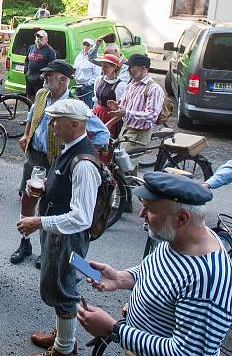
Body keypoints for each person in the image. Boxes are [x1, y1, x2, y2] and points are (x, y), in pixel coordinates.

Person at [77, 172, 232, 356]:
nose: (141, 214)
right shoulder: (176, 236)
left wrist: (114, 329)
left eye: (149, 209)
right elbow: (156, 271)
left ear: (182, 218)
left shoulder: (207, 278)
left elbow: (188, 353)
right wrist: (122, 278)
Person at [17, 99, 102, 356]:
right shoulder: (70, 148)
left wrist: (38, 222)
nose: (50, 124)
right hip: (59, 234)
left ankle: (64, 348)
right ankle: (65, 334)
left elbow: (81, 218)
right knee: (60, 283)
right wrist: (42, 192)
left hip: (67, 238)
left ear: (75, 124)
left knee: (63, 289)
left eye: (56, 120)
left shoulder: (83, 163)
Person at [12, 60, 110, 267]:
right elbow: (32, 116)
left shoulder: (76, 107)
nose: (44, 78)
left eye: (50, 75)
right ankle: (25, 242)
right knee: (27, 198)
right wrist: (26, 135)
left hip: (59, 159)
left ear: (63, 80)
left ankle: (47, 250)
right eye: (45, 75)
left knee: (52, 205)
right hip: (36, 156)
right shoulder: (41, 95)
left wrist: (87, 154)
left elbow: (102, 133)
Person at [107, 54, 164, 171]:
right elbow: (125, 107)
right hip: (126, 128)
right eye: (128, 67)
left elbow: (152, 115)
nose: (129, 70)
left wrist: (125, 112)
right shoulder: (131, 84)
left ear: (144, 68)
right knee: (127, 167)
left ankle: (123, 189)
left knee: (121, 168)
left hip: (140, 133)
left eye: (132, 67)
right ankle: (132, 189)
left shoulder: (154, 88)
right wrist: (117, 107)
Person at [91, 54, 126, 139]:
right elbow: (96, 100)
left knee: (106, 143)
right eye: (102, 66)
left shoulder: (121, 85)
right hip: (97, 114)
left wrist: (110, 123)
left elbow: (121, 109)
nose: (103, 69)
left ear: (114, 67)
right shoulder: (99, 80)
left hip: (110, 117)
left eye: (106, 66)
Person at [24, 29, 56, 98]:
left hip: (40, 82)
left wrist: (43, 75)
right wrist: (26, 72)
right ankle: (30, 109)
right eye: (37, 37)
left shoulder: (50, 51)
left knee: (39, 101)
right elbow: (26, 60)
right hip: (29, 79)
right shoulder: (31, 47)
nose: (38, 39)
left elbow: (52, 67)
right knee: (29, 98)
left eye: (41, 37)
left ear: (46, 39)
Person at [73, 38, 101, 106]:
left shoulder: (94, 57)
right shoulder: (79, 55)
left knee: (87, 107)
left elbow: (97, 74)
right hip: (78, 85)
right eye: (84, 44)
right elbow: (76, 67)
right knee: (78, 106)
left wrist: (87, 84)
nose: (85, 47)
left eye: (88, 45)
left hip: (87, 87)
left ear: (92, 47)